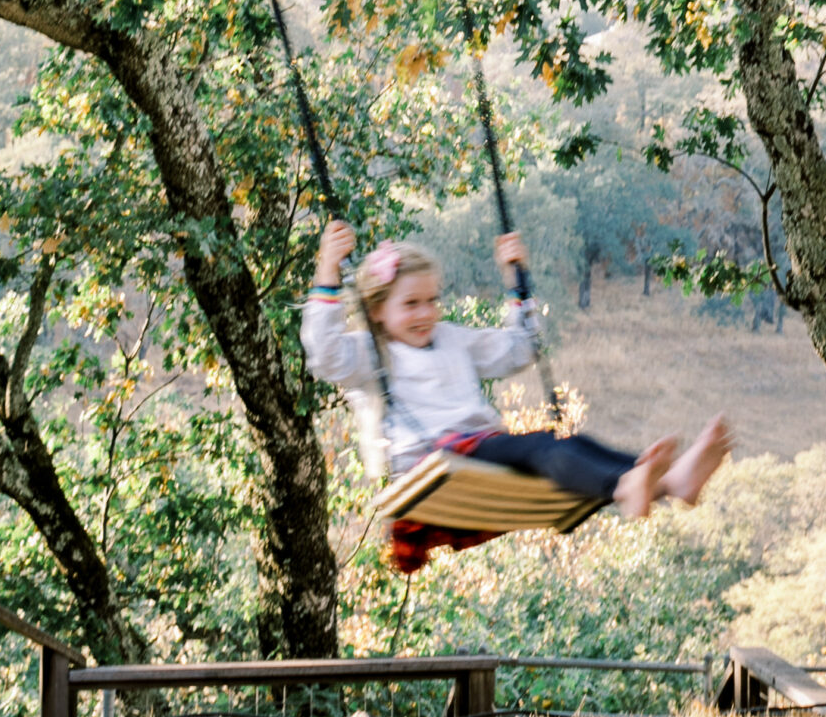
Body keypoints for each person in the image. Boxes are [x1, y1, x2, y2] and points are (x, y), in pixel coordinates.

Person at [303, 219, 731, 518]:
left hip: (479, 449)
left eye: (432, 300)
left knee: (570, 444)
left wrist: (515, 280)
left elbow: (521, 348)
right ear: (377, 309)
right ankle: (629, 487)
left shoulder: (453, 339)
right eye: (411, 304)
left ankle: (671, 482)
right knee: (543, 447)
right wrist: (327, 271)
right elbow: (322, 355)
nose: (426, 313)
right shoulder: (368, 354)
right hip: (429, 463)